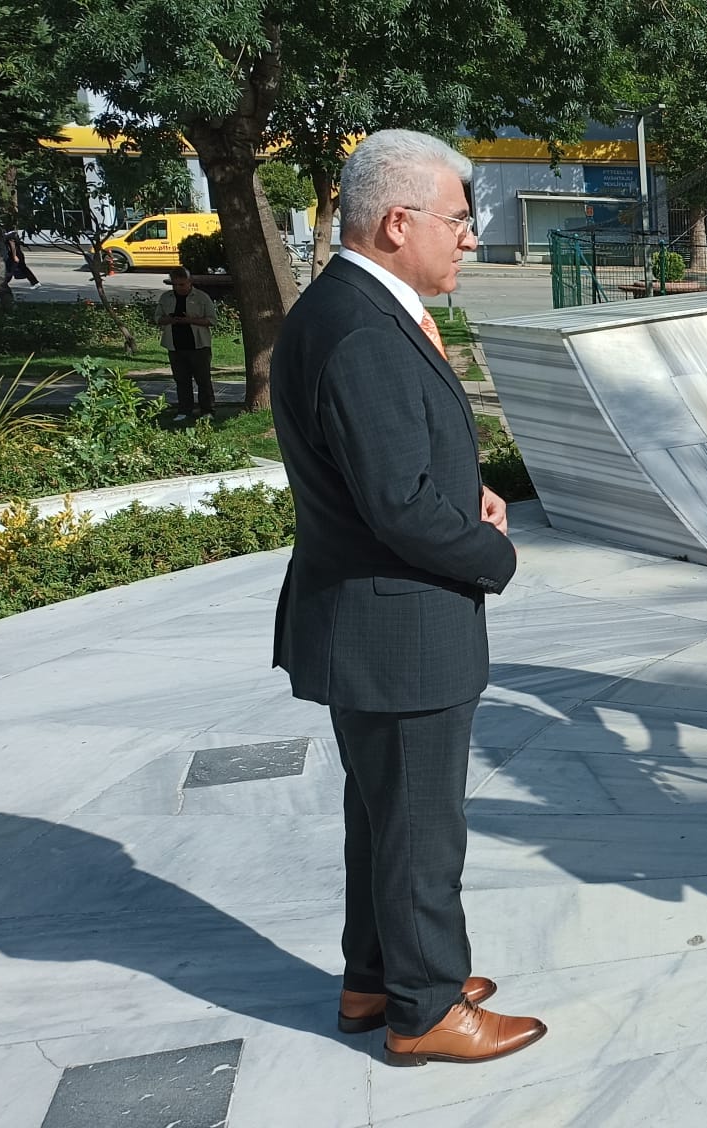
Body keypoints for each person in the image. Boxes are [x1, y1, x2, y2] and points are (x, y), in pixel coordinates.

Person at [271, 128, 544, 1067]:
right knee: (423, 823)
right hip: (397, 625)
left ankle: (376, 975)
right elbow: (396, 508)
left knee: (384, 812)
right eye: (461, 220)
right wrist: (491, 554)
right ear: (398, 222)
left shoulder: (352, 308)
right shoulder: (359, 329)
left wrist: (460, 489)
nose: (470, 238)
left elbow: (385, 470)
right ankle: (423, 1006)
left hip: (374, 619)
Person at [156, 268, 216, 419]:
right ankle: (184, 410)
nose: (178, 288)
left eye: (182, 284)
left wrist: (190, 320)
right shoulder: (166, 298)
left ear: (189, 283)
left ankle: (207, 410)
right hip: (175, 345)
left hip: (198, 345)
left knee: (203, 380)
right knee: (181, 380)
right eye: (175, 285)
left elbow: (211, 320)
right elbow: (157, 318)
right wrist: (170, 319)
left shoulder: (201, 297)